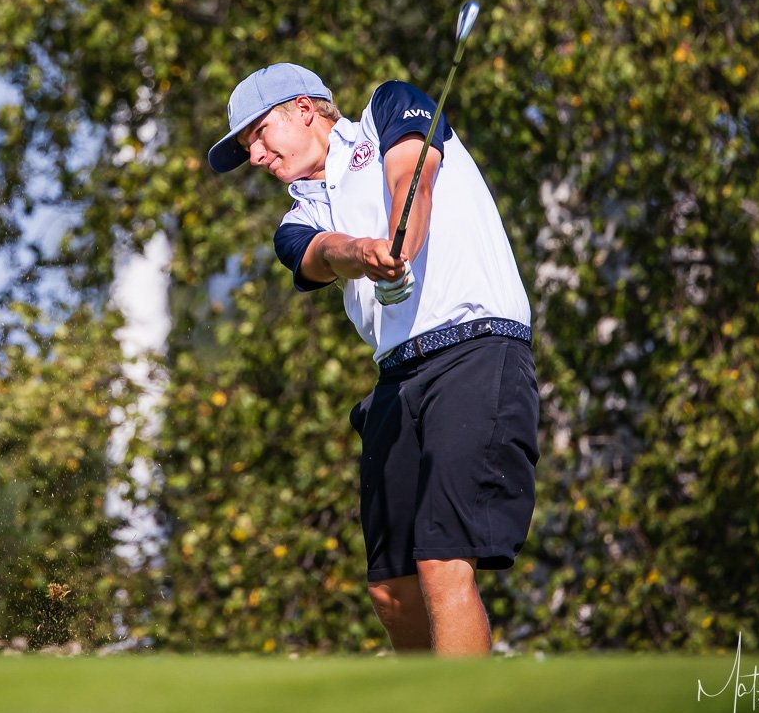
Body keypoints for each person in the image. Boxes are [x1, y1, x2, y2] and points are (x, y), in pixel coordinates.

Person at [208, 62, 538, 657]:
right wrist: (365, 253)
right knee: (391, 588)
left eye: (258, 135)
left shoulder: (387, 108)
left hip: (476, 346)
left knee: (442, 562)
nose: (255, 156)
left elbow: (413, 175)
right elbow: (321, 255)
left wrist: (398, 244)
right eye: (246, 148)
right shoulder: (296, 216)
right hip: (399, 376)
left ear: (303, 109)